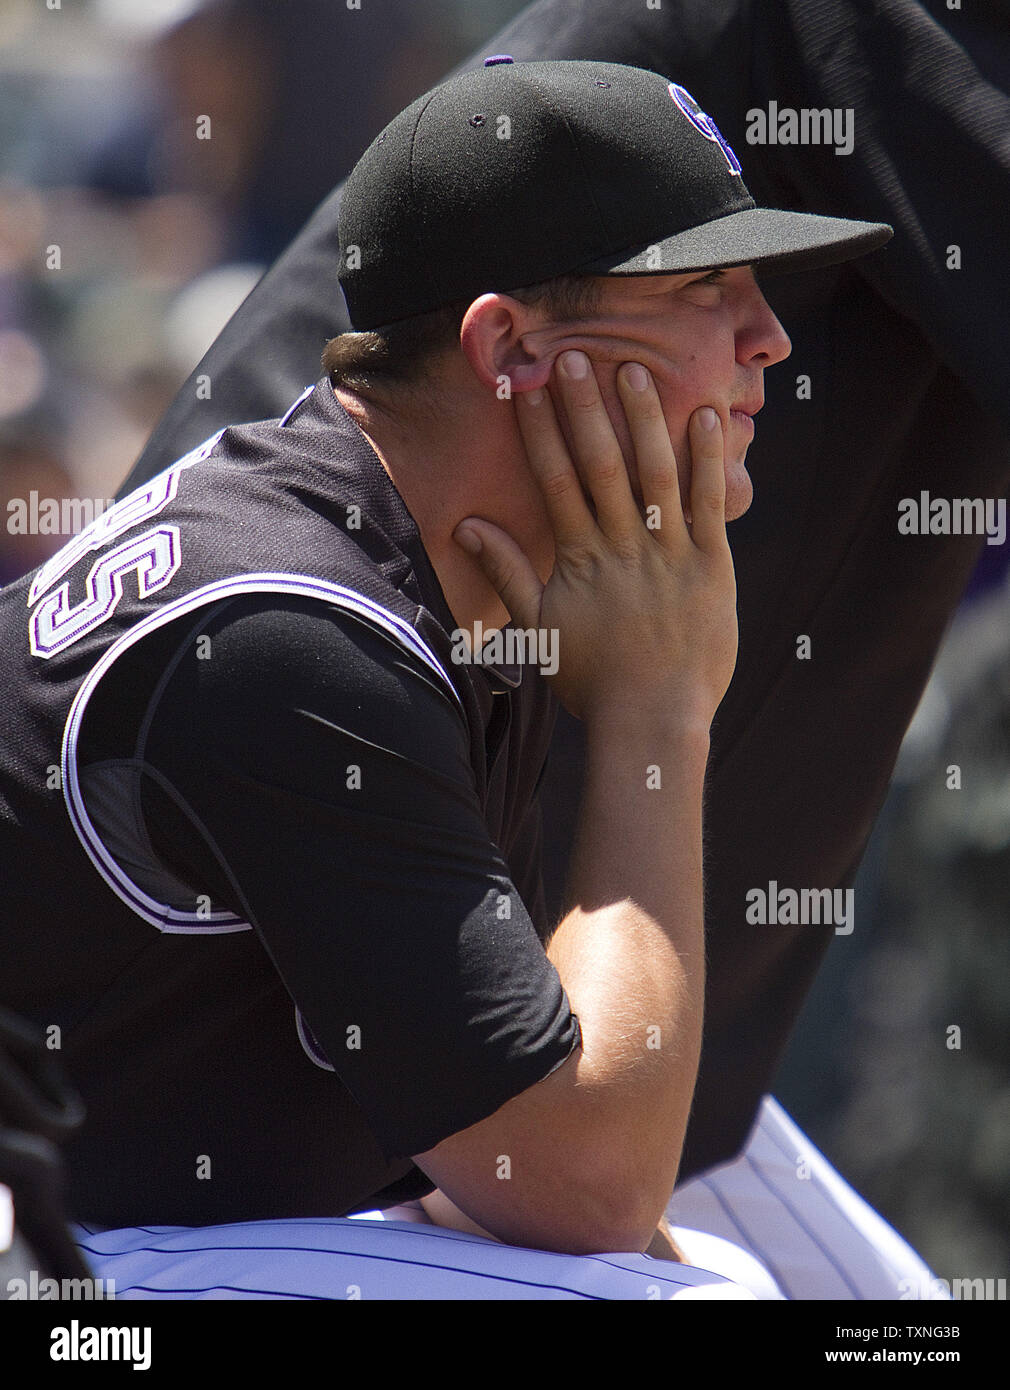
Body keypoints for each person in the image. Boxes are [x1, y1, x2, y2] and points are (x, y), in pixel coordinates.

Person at [5, 57, 920, 1298]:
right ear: (508, 346)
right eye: (706, 283)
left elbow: (561, 1114)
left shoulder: (440, 546)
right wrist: (658, 708)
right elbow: (583, 1186)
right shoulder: (291, 631)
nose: (768, 339)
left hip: (161, 1215)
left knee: (876, 1307)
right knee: (692, 1298)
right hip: (57, 1261)